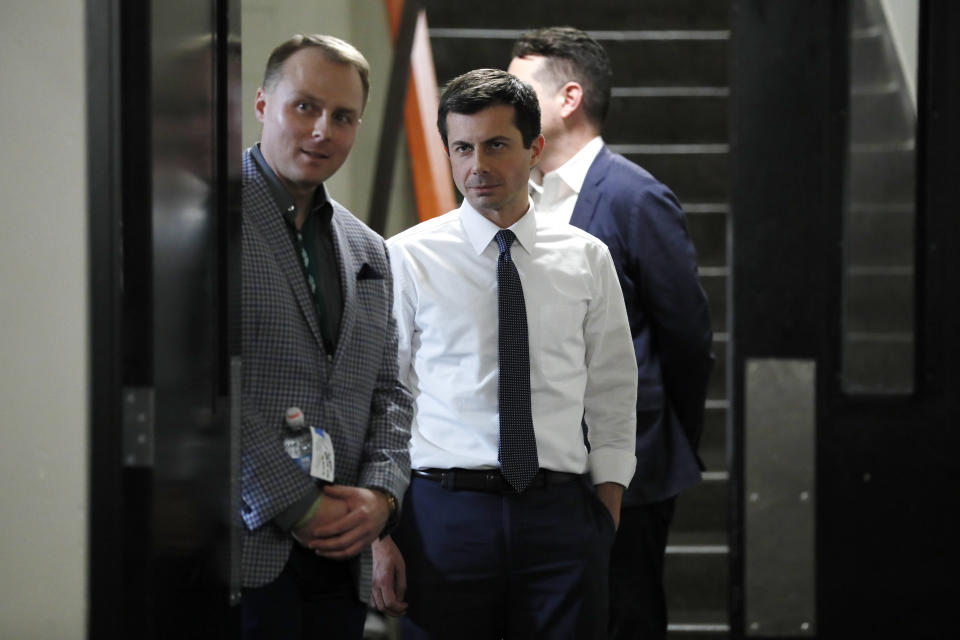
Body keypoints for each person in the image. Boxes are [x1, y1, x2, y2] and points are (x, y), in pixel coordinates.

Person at [373, 68, 638, 639]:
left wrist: (606, 508)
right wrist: (382, 533)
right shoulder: (409, 258)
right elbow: (384, 397)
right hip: (443, 513)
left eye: (496, 145)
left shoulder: (587, 258)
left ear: (534, 148)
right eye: (462, 148)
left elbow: (613, 388)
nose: (478, 166)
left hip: (561, 516)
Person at [508, 27, 714, 640]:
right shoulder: (526, 195)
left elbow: (687, 337)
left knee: (625, 616)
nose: (503, 101)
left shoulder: (634, 196)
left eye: (518, 90)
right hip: (547, 465)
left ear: (568, 99)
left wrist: (659, 434)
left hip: (630, 465)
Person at [240, 34, 413, 639]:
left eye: (342, 117)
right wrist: (297, 504)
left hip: (343, 562)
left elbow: (390, 390)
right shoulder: (207, 220)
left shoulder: (368, 248)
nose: (322, 130)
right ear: (263, 103)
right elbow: (204, 384)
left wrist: (382, 499)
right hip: (247, 553)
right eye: (305, 107)